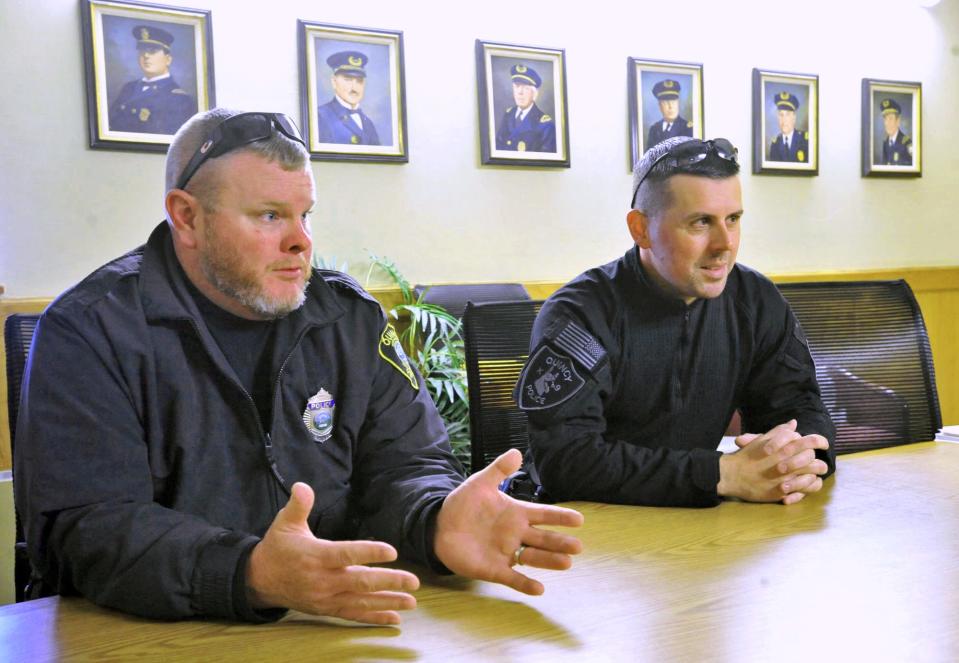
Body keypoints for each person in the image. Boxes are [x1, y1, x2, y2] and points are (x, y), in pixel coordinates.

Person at [14, 108, 583, 624]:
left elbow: (406, 465)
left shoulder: (349, 318)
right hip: (143, 637)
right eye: (268, 216)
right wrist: (249, 572)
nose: (301, 243)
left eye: (305, 215)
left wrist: (433, 520)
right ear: (186, 217)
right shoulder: (91, 328)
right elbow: (88, 530)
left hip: (327, 624)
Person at [516, 136, 836, 508]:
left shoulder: (756, 299)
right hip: (589, 532)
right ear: (641, 229)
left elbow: (801, 410)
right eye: (701, 223)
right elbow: (569, 461)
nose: (725, 244)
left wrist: (801, 458)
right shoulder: (580, 314)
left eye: (733, 219)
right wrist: (720, 474)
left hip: (701, 529)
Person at [108, 25, 196, 135]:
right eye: (142, 51)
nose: (145, 56)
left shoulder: (180, 100)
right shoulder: (128, 88)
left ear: (168, 59)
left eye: (152, 51)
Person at [316, 51, 381, 145]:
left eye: (359, 81)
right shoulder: (321, 116)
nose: (354, 88)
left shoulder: (368, 123)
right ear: (334, 82)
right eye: (348, 80)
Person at [495, 64, 556, 153]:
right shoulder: (508, 114)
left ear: (534, 94)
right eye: (517, 86)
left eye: (526, 88)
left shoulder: (546, 126)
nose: (520, 92)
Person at [646, 79, 693, 150]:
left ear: (678, 104)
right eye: (666, 102)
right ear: (660, 106)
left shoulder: (688, 128)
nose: (671, 107)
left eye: (674, 102)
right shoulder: (654, 129)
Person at [768, 92, 808, 162]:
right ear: (777, 117)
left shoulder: (805, 141)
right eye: (781, 115)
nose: (784, 119)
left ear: (794, 117)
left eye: (788, 115)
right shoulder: (775, 144)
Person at [878, 98, 913, 166]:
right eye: (885, 119)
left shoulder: (907, 143)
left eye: (890, 119)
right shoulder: (886, 143)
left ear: (898, 121)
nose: (887, 123)